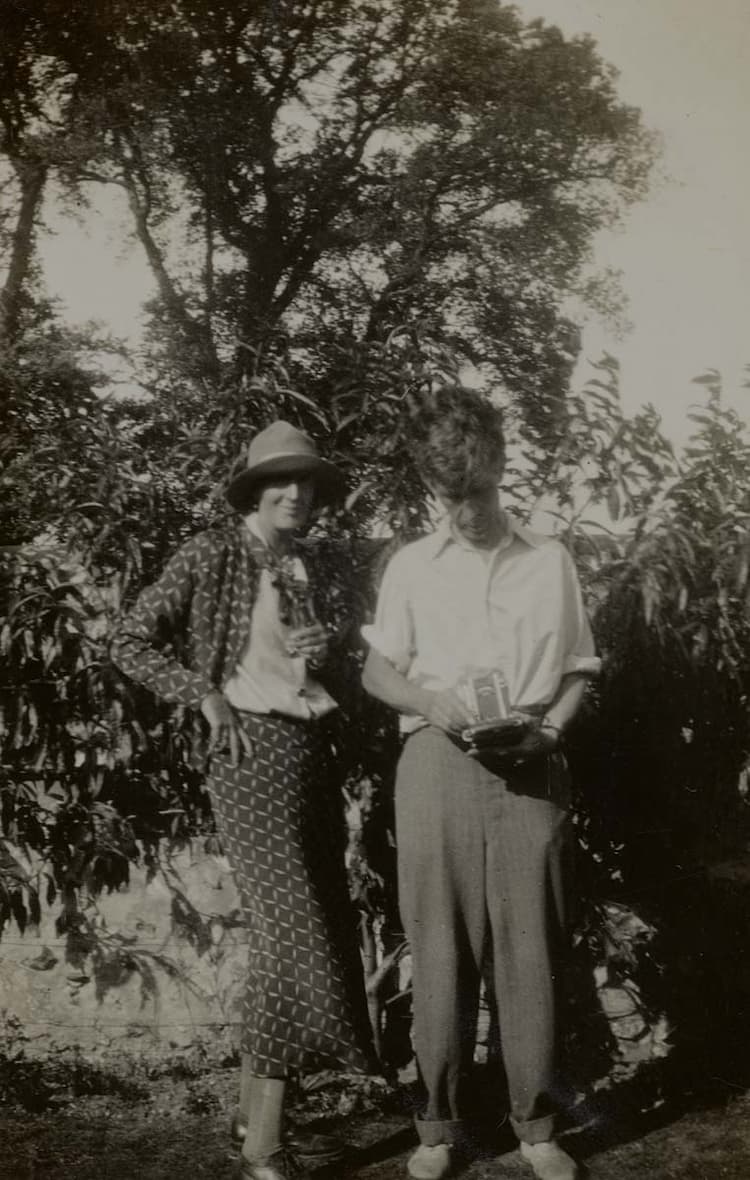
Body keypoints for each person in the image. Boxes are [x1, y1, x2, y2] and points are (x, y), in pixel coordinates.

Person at [111, 420, 375, 1180]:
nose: (297, 495)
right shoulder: (211, 551)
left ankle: (252, 1118)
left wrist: (326, 654)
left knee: (305, 926)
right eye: (280, 483)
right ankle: (265, 1142)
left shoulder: (305, 563)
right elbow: (128, 638)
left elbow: (311, 667)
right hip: (248, 755)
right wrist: (202, 695)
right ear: (254, 491)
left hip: (309, 752)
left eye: (307, 484)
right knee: (293, 936)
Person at [361, 386, 600, 1180]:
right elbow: (377, 668)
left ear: (502, 467)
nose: (466, 511)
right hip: (435, 761)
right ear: (434, 488)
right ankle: (438, 1127)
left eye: (479, 491)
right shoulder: (410, 567)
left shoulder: (550, 561)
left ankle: (535, 1125)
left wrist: (550, 731)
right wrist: (431, 699)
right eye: (448, 494)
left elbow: (578, 672)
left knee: (532, 945)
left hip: (532, 762)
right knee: (439, 945)